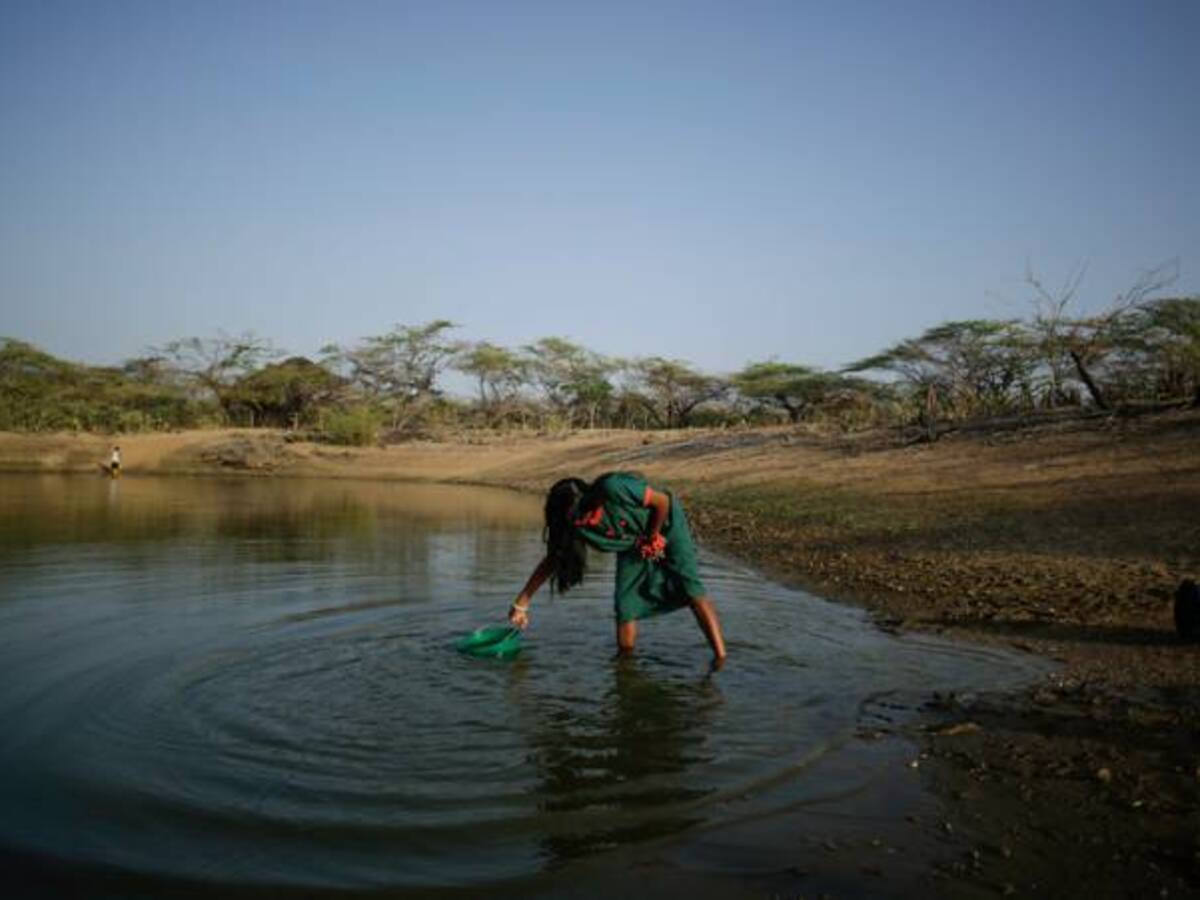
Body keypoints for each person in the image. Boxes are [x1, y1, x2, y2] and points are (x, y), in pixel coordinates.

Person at [508, 472, 727, 665]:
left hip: (666, 525)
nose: (586, 522)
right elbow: (553, 560)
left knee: (691, 589)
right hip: (632, 544)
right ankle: (626, 666)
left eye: (587, 514)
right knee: (625, 606)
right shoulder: (575, 524)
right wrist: (522, 603)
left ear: (592, 499)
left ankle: (720, 659)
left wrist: (652, 537)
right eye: (577, 520)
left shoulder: (613, 487)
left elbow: (662, 502)